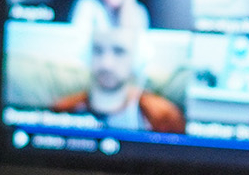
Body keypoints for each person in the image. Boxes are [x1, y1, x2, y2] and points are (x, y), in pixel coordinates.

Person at [51, 28, 184, 133]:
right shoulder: (63, 109)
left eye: (119, 51)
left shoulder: (164, 116)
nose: (106, 63)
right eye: (98, 50)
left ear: (136, 59)